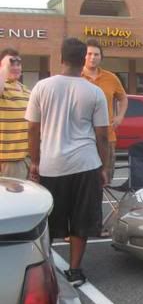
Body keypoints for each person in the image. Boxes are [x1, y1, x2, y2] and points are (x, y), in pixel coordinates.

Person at [26, 38, 109, 287]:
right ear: (84, 58)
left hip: (52, 165)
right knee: (82, 219)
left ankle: (45, 269)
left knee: (49, 222)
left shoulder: (41, 87)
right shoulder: (94, 92)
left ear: (60, 58)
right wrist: (103, 167)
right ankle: (75, 271)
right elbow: (102, 135)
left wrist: (35, 162)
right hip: (86, 164)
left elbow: (32, 129)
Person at [82, 38, 127, 184]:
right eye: (89, 54)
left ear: (101, 57)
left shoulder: (111, 78)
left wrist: (119, 117)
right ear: (83, 56)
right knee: (85, 181)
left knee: (105, 179)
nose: (92, 58)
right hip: (83, 138)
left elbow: (123, 98)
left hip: (107, 138)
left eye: (96, 54)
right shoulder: (76, 77)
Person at [0, 48, 31, 179]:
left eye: (19, 63)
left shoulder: (26, 90)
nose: (16, 67)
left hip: (27, 159)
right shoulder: (3, 87)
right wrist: (5, 68)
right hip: (9, 161)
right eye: (11, 63)